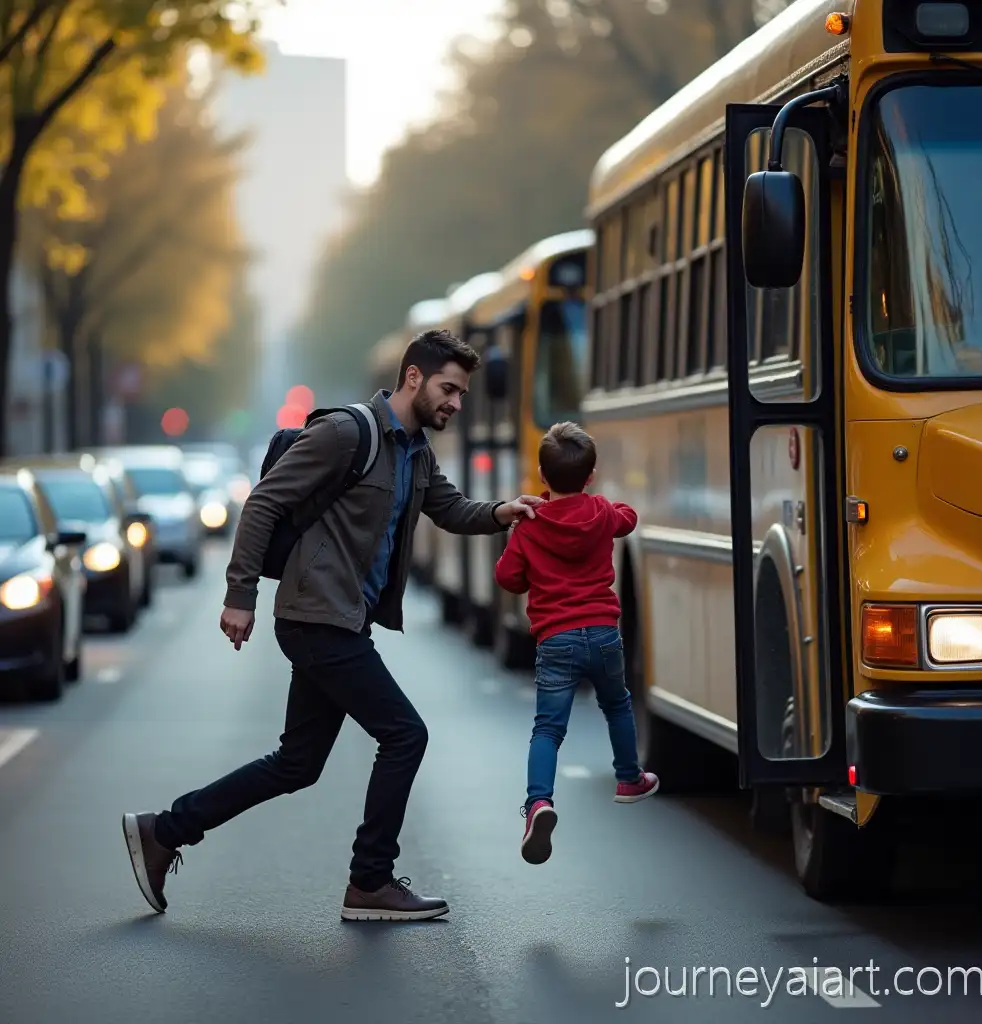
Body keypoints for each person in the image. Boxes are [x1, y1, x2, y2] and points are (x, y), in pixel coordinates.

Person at [122, 329, 545, 921]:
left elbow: (447, 510)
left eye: (462, 394)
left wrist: (506, 511)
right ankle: (370, 881)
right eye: (449, 389)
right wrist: (239, 594)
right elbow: (265, 502)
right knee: (405, 734)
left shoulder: (415, 450)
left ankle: (163, 831)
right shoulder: (347, 432)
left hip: (342, 620)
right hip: (315, 617)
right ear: (414, 378)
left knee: (297, 764)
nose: (455, 402)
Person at [494, 421, 658, 866]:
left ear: (542, 478)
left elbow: (507, 578)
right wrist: (603, 505)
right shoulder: (602, 511)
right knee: (619, 704)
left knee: (548, 729)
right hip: (603, 634)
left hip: (556, 640)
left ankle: (538, 803)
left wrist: (525, 546)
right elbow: (629, 518)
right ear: (590, 476)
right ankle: (628, 778)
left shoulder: (530, 525)